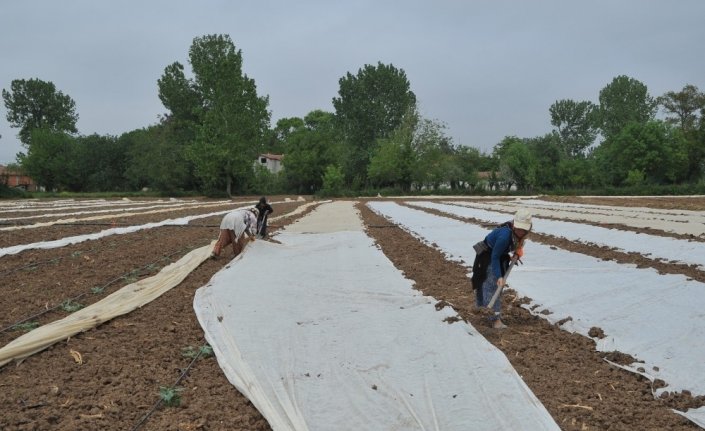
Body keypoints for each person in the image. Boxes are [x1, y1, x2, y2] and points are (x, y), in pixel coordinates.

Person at [471, 209, 532, 329]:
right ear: (514, 224)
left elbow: (518, 240)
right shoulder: (504, 236)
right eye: (519, 229)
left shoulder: (522, 231)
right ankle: (494, 320)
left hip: (500, 255)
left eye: (523, 230)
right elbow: (495, 257)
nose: (520, 232)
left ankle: (483, 312)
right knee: (493, 287)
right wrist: (499, 276)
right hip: (488, 256)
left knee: (494, 286)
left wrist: (517, 251)